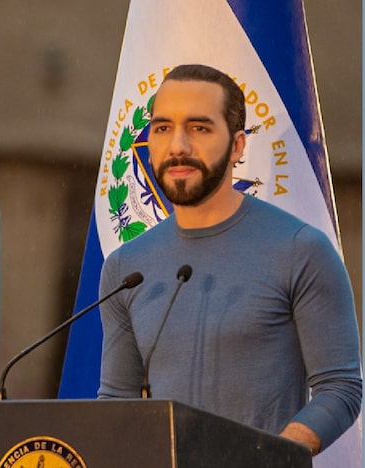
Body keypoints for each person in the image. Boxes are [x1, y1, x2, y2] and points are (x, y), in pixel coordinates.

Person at [97, 64, 361, 455]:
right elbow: (118, 401)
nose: (178, 146)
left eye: (200, 128)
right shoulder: (125, 267)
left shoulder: (301, 250)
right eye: (163, 128)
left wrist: (270, 457)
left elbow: (340, 388)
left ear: (238, 145)